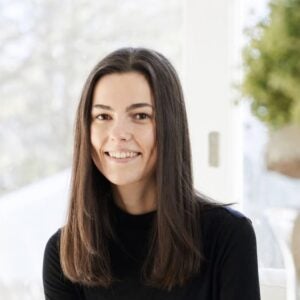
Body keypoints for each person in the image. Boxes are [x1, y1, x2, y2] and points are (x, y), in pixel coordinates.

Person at [42, 47, 261, 300]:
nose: (119, 133)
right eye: (103, 116)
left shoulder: (228, 236)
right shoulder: (64, 253)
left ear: (170, 127)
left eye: (140, 115)